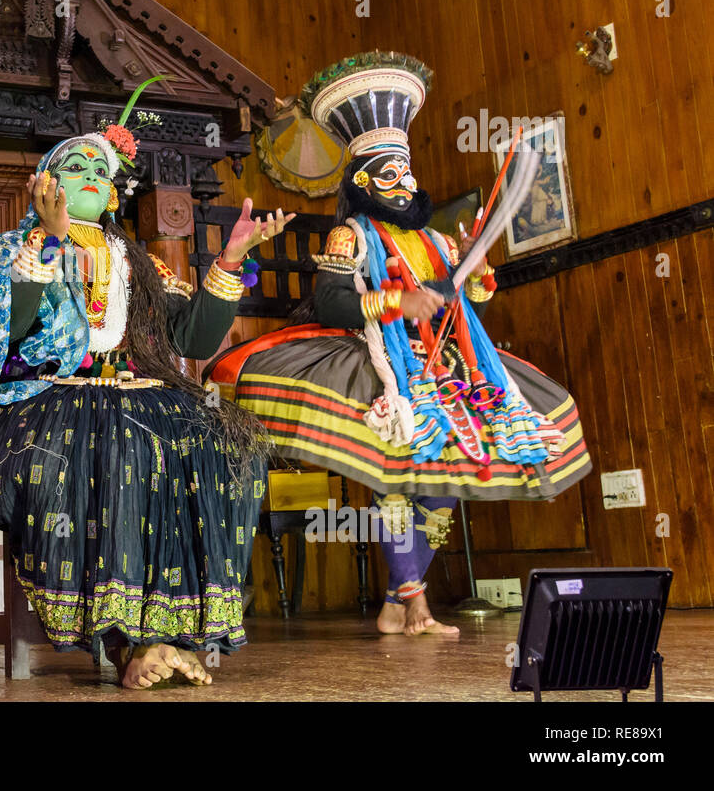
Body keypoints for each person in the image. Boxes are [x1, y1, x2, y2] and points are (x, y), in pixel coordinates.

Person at [208, 52, 592, 636]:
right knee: (399, 476)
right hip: (383, 360)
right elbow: (335, 301)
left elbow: (468, 300)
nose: (403, 183)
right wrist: (397, 304)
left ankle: (398, 602)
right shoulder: (348, 233)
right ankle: (414, 606)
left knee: (445, 486)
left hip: (453, 365)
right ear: (361, 181)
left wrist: (476, 270)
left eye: (407, 173)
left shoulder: (436, 237)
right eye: (389, 174)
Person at [0, 96, 287, 688]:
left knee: (227, 447)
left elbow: (193, 335)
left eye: (103, 171)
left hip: (136, 394)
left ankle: (167, 632)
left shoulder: (139, 263)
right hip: (35, 402)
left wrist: (229, 260)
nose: (94, 177)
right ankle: (128, 645)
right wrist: (49, 244)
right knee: (116, 449)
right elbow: (15, 342)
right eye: (77, 168)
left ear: (115, 193)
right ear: (44, 185)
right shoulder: (4, 253)